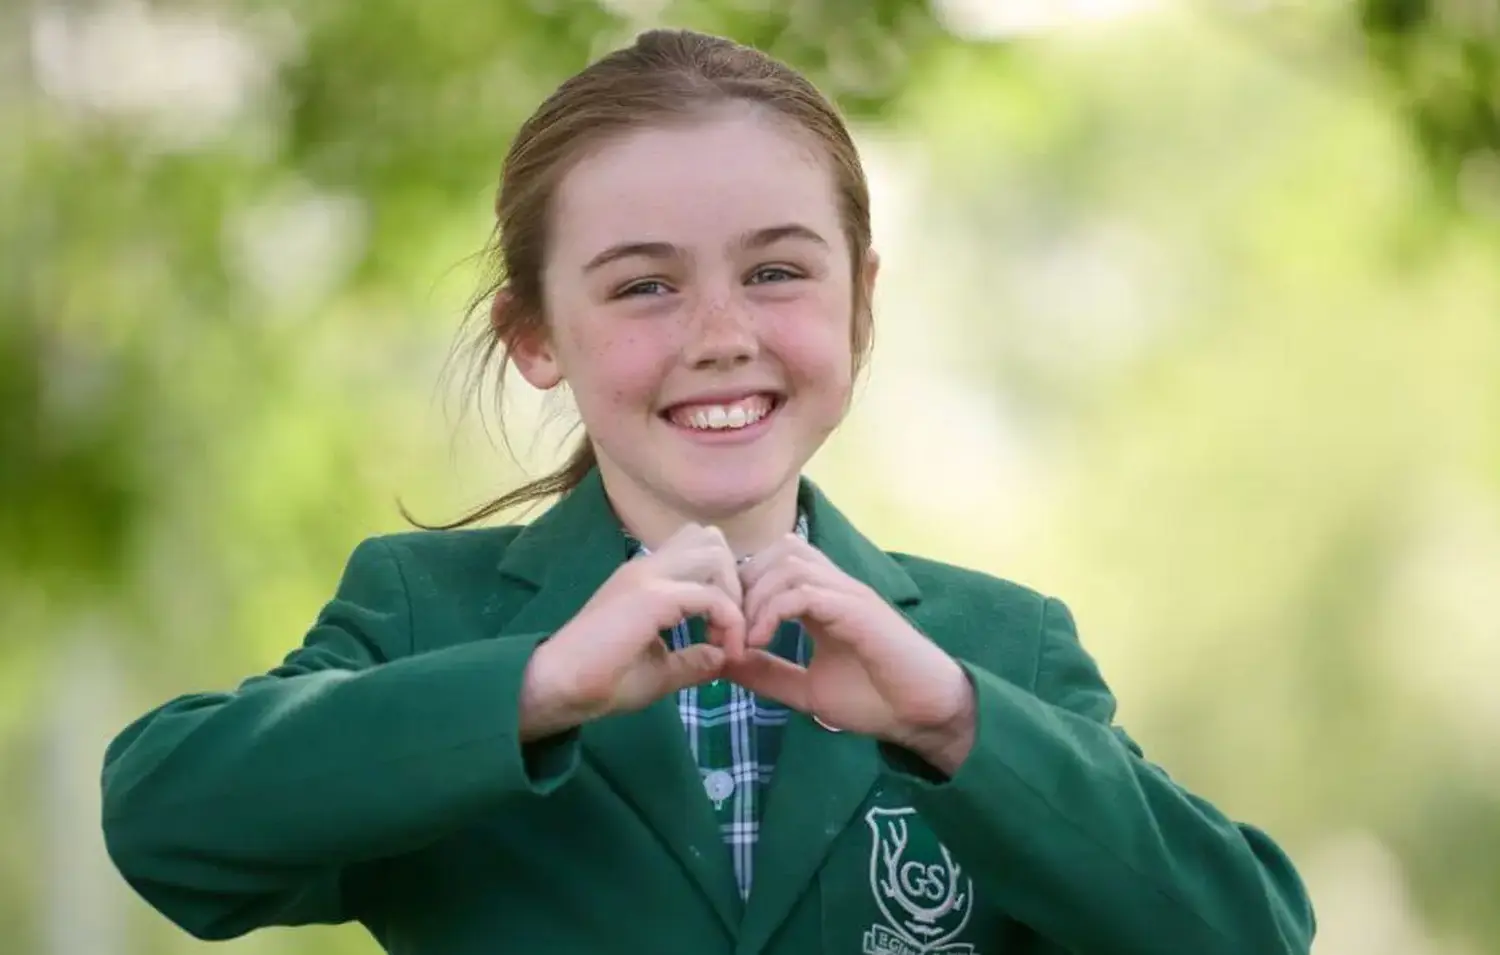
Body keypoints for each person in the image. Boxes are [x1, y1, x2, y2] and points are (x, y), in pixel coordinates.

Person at [99, 28, 1315, 955]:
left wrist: (949, 718)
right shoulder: (430, 614)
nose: (722, 333)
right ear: (536, 334)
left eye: (777, 269)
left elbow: (1250, 931)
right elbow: (166, 823)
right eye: (643, 286)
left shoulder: (999, 653)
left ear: (860, 298)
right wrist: (536, 689)